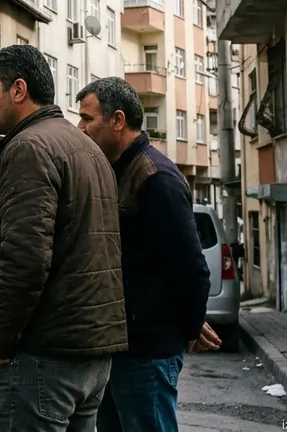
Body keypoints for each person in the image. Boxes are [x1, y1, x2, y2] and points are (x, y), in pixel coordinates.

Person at [0, 45, 127, 432]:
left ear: (18, 90)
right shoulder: (86, 147)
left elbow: (24, 259)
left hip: (42, 354)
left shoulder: (29, 148)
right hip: (90, 352)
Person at [75, 77, 219, 432]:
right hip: (117, 346)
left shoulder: (156, 177)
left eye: (87, 118)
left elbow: (190, 268)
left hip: (147, 351)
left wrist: (185, 327)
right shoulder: (115, 170)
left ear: (117, 120)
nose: (80, 127)